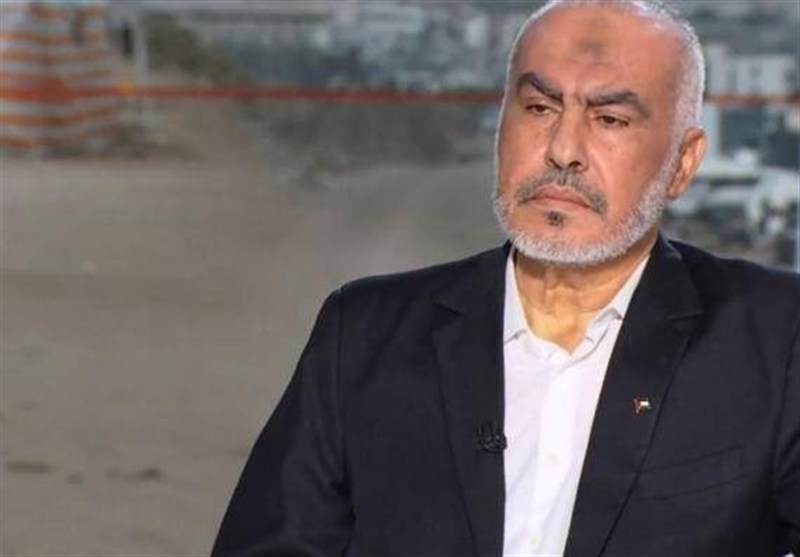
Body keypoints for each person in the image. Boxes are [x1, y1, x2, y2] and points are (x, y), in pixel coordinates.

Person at [213, 1, 800, 555]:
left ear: (682, 163)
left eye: (610, 119)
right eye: (539, 109)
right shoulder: (363, 334)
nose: (563, 150)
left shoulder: (777, 340)